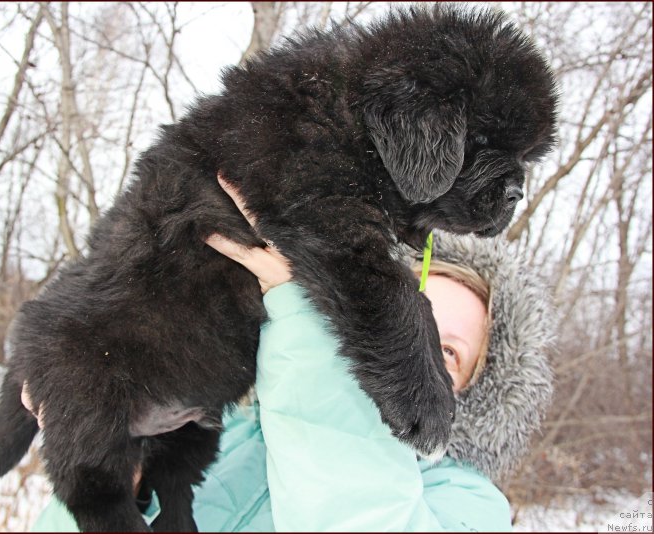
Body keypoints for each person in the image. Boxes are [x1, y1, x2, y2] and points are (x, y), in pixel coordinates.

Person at [30, 176, 556, 532]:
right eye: (408, 317)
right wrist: (114, 477)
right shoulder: (224, 428)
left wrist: (308, 326)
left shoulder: (469, 508)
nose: (413, 347)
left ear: (475, 393)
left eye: (446, 349)